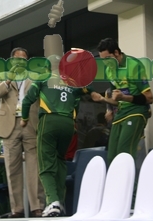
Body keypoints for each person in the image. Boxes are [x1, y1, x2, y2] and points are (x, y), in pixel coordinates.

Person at [22, 64, 95, 217]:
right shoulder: (72, 82)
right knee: (60, 161)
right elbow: (87, 91)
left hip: (49, 121)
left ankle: (52, 201)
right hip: (68, 124)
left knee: (45, 164)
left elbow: (27, 100)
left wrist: (24, 118)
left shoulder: (43, 79)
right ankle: (61, 203)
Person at [0, 48, 45, 218]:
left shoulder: (35, 76)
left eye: (24, 59)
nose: (21, 62)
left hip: (30, 123)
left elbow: (43, 99)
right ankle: (17, 209)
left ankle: (37, 207)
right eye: (18, 59)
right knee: (12, 169)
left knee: (34, 166)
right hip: (9, 125)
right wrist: (7, 81)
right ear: (11, 61)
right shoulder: (2, 75)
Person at [91, 38, 153, 164]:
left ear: (116, 53)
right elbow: (116, 100)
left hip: (136, 111)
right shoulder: (109, 71)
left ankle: (133, 184)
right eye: (103, 60)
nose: (106, 63)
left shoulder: (134, 65)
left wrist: (124, 97)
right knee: (111, 157)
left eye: (108, 58)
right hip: (121, 113)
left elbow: (149, 98)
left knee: (124, 152)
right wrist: (103, 99)